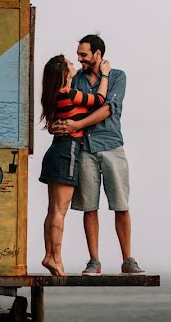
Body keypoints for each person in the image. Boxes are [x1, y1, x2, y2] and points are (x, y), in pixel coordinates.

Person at [51, 34, 143, 275]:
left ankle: (128, 259)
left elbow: (106, 109)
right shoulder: (76, 79)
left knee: (121, 204)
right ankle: (94, 260)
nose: (79, 59)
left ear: (98, 54)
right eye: (78, 54)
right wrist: (58, 125)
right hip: (85, 149)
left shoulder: (117, 76)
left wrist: (76, 125)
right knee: (89, 206)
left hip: (112, 145)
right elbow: (65, 106)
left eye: (84, 54)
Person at [38, 53, 111, 276]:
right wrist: (105, 75)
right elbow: (99, 101)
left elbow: (53, 123)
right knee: (60, 210)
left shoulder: (54, 95)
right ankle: (56, 259)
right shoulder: (69, 93)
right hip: (68, 151)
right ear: (64, 73)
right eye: (70, 64)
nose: (74, 65)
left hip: (56, 150)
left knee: (52, 210)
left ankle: (49, 256)